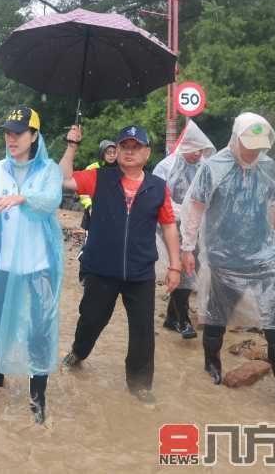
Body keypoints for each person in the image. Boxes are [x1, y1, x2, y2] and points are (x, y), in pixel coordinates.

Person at [180, 112, 275, 404]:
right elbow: (194, 209)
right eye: (249, 144)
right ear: (235, 138)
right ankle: (211, 362)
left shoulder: (267, 167)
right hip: (224, 257)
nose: (254, 151)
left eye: (260, 145)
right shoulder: (214, 168)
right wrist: (187, 248)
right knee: (217, 315)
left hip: (265, 258)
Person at [59, 125, 181, 403]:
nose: (129, 151)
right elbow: (62, 179)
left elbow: (169, 226)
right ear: (116, 151)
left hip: (140, 271)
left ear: (147, 152)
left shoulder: (157, 187)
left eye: (136, 146)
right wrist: (71, 145)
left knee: (142, 329)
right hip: (101, 268)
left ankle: (139, 383)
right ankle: (79, 351)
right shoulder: (100, 178)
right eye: (124, 146)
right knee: (92, 318)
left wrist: (174, 266)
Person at [0, 107, 63, 424]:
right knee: (0, 319)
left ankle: (37, 396)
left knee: (41, 327)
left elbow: (51, 199)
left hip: (39, 264)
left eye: (18, 133)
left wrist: (23, 198)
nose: (11, 139)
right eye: (7, 133)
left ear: (34, 136)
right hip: (2, 262)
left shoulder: (49, 170)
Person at [152, 120, 215, 339]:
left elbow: (211, 196)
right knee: (180, 269)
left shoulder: (205, 167)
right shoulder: (166, 166)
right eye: (194, 150)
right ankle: (184, 319)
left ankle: (171, 318)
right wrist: (178, 211)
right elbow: (156, 196)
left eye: (201, 150)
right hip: (170, 227)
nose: (198, 154)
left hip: (196, 229)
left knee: (190, 270)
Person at [79, 139, 117, 230]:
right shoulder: (92, 169)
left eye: (114, 152)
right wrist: (89, 205)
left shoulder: (121, 169)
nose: (112, 155)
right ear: (102, 154)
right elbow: (83, 190)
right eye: (108, 152)